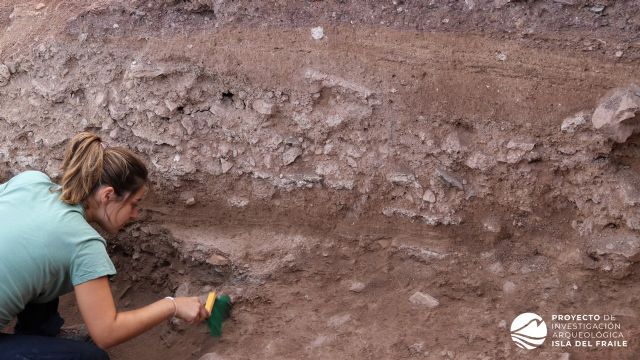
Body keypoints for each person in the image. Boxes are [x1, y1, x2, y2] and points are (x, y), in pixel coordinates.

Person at [0, 132, 210, 359]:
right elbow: (107, 333)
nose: (135, 214)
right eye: (134, 204)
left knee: (45, 262)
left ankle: (41, 335)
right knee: (92, 357)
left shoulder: (30, 181)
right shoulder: (83, 243)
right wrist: (173, 305)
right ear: (108, 195)